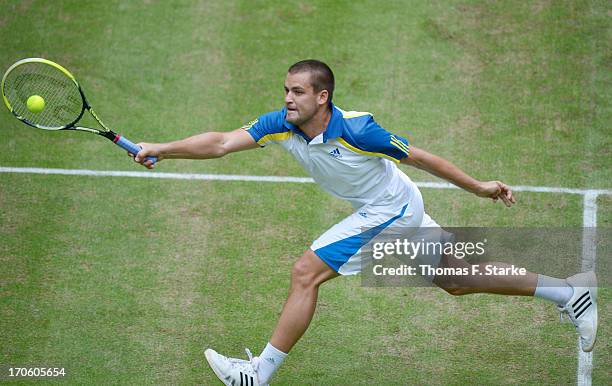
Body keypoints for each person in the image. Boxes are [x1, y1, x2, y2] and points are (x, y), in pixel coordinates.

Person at [132, 60, 597, 385]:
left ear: (322, 96)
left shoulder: (358, 131)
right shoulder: (280, 124)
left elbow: (421, 157)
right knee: (455, 278)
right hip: (391, 205)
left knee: (304, 272)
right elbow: (219, 143)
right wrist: (162, 147)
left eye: (297, 92)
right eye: (286, 91)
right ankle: (569, 292)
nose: (288, 99)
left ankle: (259, 374)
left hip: (389, 210)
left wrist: (477, 187)